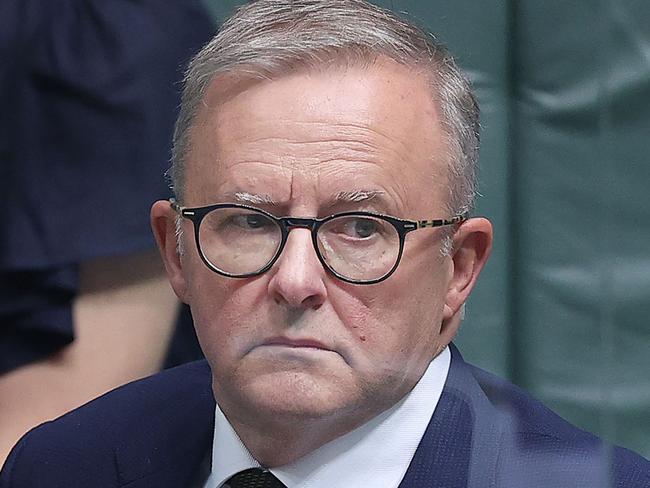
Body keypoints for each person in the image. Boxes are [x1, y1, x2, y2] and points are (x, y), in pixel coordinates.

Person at [2, 1, 649, 487]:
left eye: (362, 228)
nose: (295, 281)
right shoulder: (62, 465)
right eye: (249, 222)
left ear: (459, 269)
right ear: (176, 252)